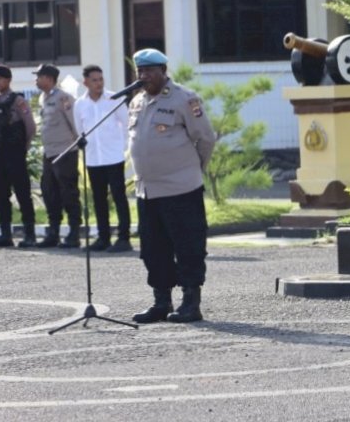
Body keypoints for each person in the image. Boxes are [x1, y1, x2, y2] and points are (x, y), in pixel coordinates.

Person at [129, 48, 216, 324]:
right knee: (153, 249)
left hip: (181, 188)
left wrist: (192, 169)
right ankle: (161, 302)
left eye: (149, 71)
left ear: (163, 72)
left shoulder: (184, 99)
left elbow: (206, 139)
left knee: (187, 245)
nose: (144, 76)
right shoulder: (137, 102)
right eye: (140, 71)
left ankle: (191, 303)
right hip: (148, 190)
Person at [73, 64, 132, 253]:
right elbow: (79, 129)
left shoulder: (114, 99)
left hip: (113, 156)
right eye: (94, 80)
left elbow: (126, 124)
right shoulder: (80, 104)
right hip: (93, 159)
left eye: (101, 79)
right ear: (86, 82)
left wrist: (121, 147)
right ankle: (103, 237)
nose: (99, 83)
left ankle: (124, 238)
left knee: (119, 197)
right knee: (98, 200)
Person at [0, 64, 38, 248]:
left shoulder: (18, 101)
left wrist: (24, 146)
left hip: (15, 153)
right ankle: (5, 234)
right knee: (0, 193)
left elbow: (30, 127)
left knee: (23, 193)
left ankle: (29, 234)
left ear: (8, 80)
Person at [34, 64, 82, 248]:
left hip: (65, 152)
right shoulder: (43, 98)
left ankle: (74, 233)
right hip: (49, 153)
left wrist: (78, 142)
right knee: (49, 192)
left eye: (39, 76)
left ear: (49, 78)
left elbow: (74, 123)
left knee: (68, 193)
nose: (36, 80)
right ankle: (53, 232)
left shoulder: (64, 98)